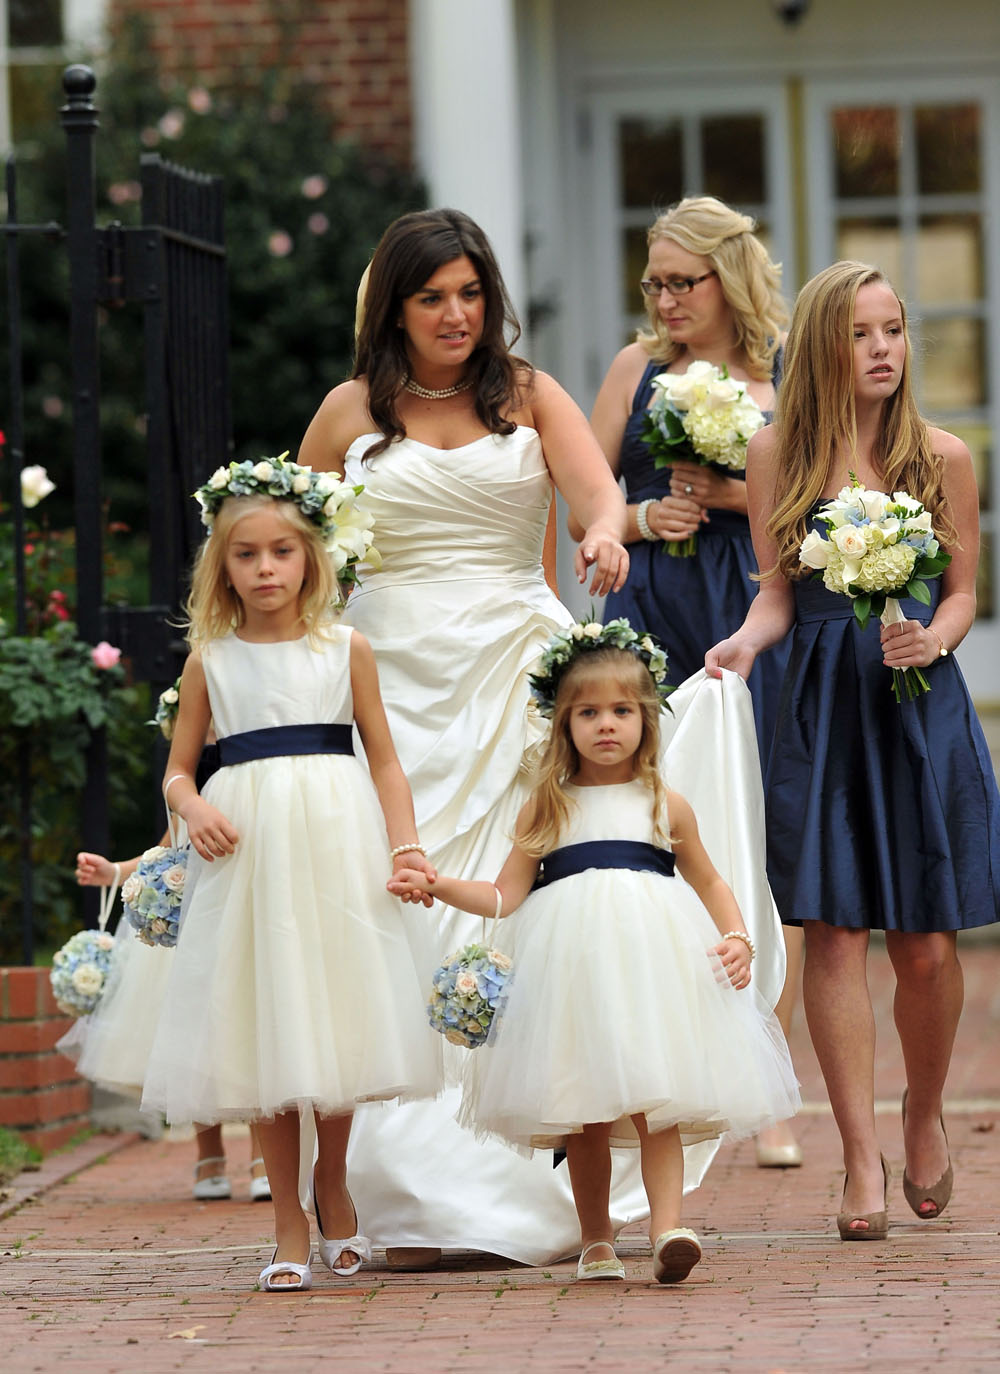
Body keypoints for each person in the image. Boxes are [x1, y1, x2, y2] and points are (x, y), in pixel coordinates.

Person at [296, 206, 644, 1267]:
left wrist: (602, 534)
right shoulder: (348, 411)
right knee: (393, 904)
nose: (456, 314)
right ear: (394, 308)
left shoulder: (528, 394)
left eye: (470, 294)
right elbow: (289, 547)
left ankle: (521, 1167)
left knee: (513, 901)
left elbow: (600, 497)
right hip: (391, 681)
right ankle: (401, 1191)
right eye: (431, 297)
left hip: (510, 672)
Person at [706, 260, 1000, 1239]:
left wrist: (936, 638)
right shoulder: (775, 452)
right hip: (823, 705)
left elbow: (962, 593)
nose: (882, 349)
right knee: (831, 932)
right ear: (824, 348)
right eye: (860, 333)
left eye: (894, 330)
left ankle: (922, 1113)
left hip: (918, 706)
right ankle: (860, 1156)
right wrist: (744, 645)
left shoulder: (942, 456)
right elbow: (775, 595)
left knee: (926, 944)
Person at [388, 628, 799, 1284]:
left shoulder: (665, 804)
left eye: (621, 710)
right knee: (587, 1116)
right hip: (573, 975)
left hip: (653, 970)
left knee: (660, 1102)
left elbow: (711, 881)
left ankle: (668, 1230)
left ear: (645, 719)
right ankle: (596, 1239)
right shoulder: (547, 808)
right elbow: (502, 895)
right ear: (564, 724)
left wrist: (737, 937)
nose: (606, 725)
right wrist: (438, 885)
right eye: (588, 712)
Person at [141, 457, 441, 1291]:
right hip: (249, 852)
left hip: (336, 840)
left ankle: (332, 1184)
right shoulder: (211, 659)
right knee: (266, 1023)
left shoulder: (345, 648)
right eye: (246, 555)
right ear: (223, 566)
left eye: (281, 552)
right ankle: (286, 1220)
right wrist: (191, 806)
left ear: (310, 558)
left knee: (336, 1015)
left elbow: (386, 761)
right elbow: (177, 770)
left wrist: (405, 846)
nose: (266, 568)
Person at [583, 195, 802, 1168]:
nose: (666, 300)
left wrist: (732, 494)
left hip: (751, 608)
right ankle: (656, 1070)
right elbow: (586, 495)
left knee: (761, 828)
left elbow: (826, 495)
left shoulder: (788, 370)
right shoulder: (634, 369)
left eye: (683, 282)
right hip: (649, 613)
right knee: (650, 826)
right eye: (654, 283)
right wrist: (640, 520)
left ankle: (769, 1084)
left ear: (729, 276)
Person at [68, 844, 270, 1203]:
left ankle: (262, 1158)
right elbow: (171, 842)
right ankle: (209, 1154)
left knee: (249, 1028)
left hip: (248, 899)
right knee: (198, 1034)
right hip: (197, 909)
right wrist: (116, 872)